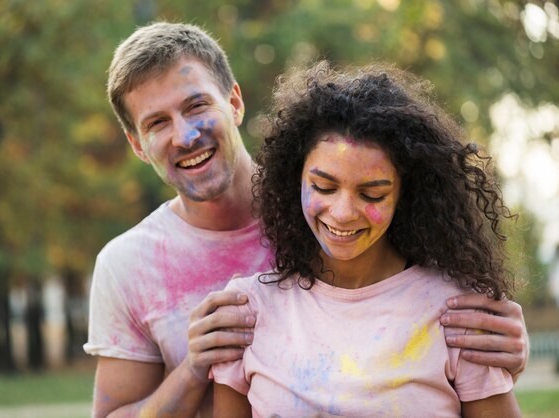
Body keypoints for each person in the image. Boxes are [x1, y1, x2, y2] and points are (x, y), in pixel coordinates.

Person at [84, 22, 528, 418]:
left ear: (234, 102)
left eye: (197, 105)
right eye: (157, 123)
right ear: (137, 144)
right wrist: (195, 367)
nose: (185, 135)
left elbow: (424, 313)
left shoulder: (336, 212)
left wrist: (503, 350)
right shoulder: (127, 266)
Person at [211, 62, 523, 417]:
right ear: (292, 178)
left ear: (406, 194)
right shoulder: (246, 311)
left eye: (372, 194)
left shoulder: (458, 315)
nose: (343, 213)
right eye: (324, 187)